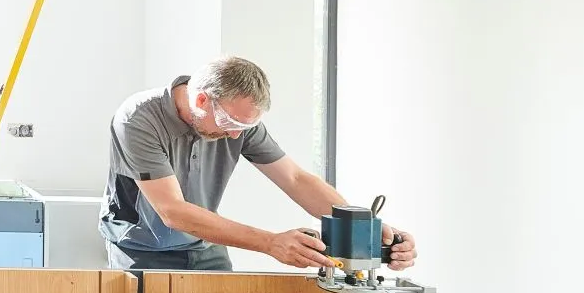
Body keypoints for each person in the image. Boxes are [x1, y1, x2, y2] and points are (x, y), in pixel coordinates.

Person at [98, 56, 419, 273]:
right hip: (142, 252)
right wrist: (270, 242)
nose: (235, 134)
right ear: (200, 100)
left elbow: (294, 179)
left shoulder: (237, 123)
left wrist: (362, 228)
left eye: (246, 127)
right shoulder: (139, 119)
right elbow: (172, 211)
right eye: (230, 122)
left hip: (206, 247)